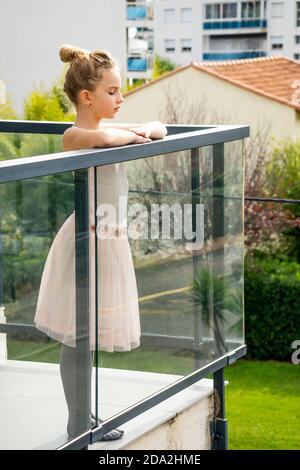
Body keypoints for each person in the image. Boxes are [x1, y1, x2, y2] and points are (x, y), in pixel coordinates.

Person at [34, 44, 168, 442]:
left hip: (109, 240)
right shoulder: (75, 135)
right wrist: (131, 134)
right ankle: (78, 423)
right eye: (113, 92)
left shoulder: (112, 130)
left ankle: (85, 415)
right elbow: (103, 140)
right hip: (85, 242)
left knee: (88, 336)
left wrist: (140, 131)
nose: (121, 99)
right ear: (86, 97)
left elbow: (160, 126)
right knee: (77, 336)